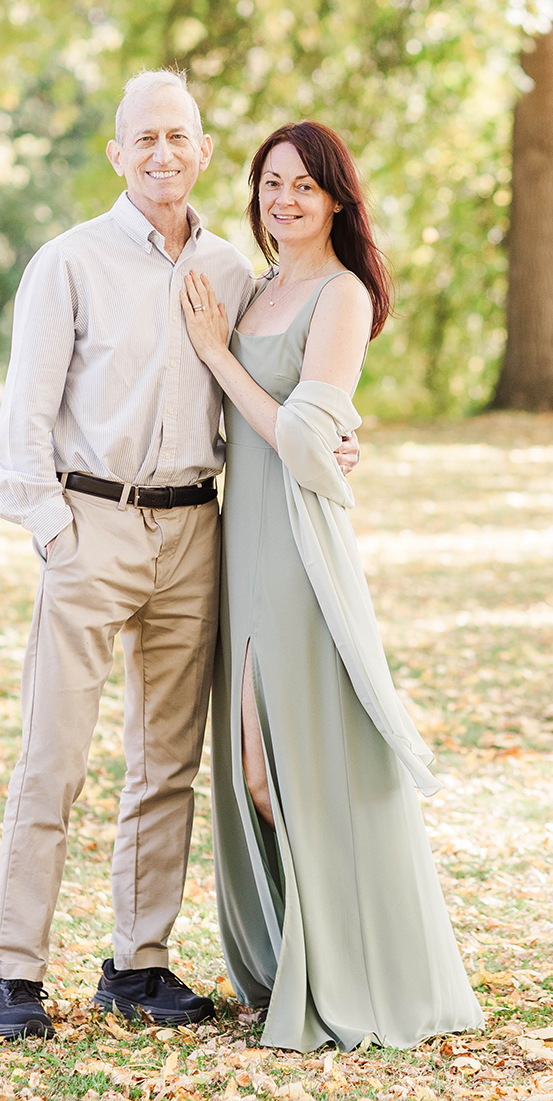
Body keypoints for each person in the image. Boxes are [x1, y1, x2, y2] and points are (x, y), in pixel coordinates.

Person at [0, 72, 358, 1040]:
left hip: (195, 529)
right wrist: (54, 530)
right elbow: (24, 412)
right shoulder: (68, 261)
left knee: (165, 764)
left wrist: (332, 435)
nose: (160, 152)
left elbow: (276, 383)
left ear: (199, 151)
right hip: (91, 525)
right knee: (52, 759)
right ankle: (15, 974)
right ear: (118, 153)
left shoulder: (236, 271)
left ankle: (136, 963)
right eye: (142, 136)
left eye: (178, 136)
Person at [179, 121, 483, 1051]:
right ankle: (290, 963)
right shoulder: (266, 286)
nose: (285, 200)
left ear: (338, 200)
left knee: (286, 767)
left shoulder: (341, 294)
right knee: (247, 768)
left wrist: (220, 357)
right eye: (272, 183)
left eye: (305, 186)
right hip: (243, 543)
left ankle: (348, 971)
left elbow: (309, 445)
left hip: (299, 553)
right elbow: (279, 431)